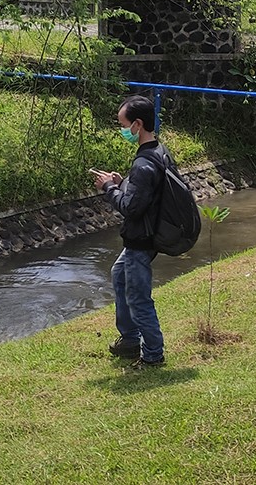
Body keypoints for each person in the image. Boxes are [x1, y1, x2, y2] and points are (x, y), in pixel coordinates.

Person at [93, 95, 169, 369]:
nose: (122, 130)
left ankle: (152, 355)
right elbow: (145, 196)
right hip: (145, 236)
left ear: (137, 124)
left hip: (141, 239)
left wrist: (108, 188)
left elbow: (131, 208)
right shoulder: (158, 152)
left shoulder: (144, 164)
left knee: (138, 298)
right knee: (119, 276)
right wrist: (123, 182)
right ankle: (129, 340)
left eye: (123, 125)